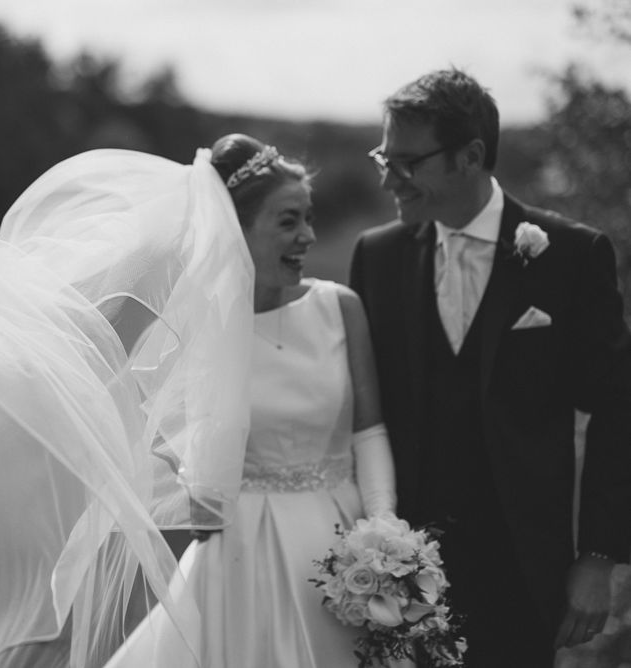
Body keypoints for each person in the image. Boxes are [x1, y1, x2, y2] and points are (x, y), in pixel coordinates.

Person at [0, 148, 256, 667]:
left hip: (3, 394)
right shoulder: (175, 248)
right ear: (240, 216)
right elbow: (101, 350)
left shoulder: (157, 233)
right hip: (37, 420)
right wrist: (129, 442)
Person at [349, 67, 631, 667]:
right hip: (399, 574)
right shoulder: (375, 256)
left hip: (525, 570)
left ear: (470, 156)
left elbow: (617, 404)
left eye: (407, 163)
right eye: (384, 157)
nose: (389, 179)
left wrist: (599, 556)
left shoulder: (573, 256)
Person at [105, 133, 404, 668]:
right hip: (239, 557)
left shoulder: (340, 308)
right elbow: (158, 428)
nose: (308, 236)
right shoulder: (201, 330)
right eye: (288, 221)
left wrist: (382, 531)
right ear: (233, 232)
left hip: (342, 547)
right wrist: (194, 479)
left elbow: (369, 430)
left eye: (309, 218)